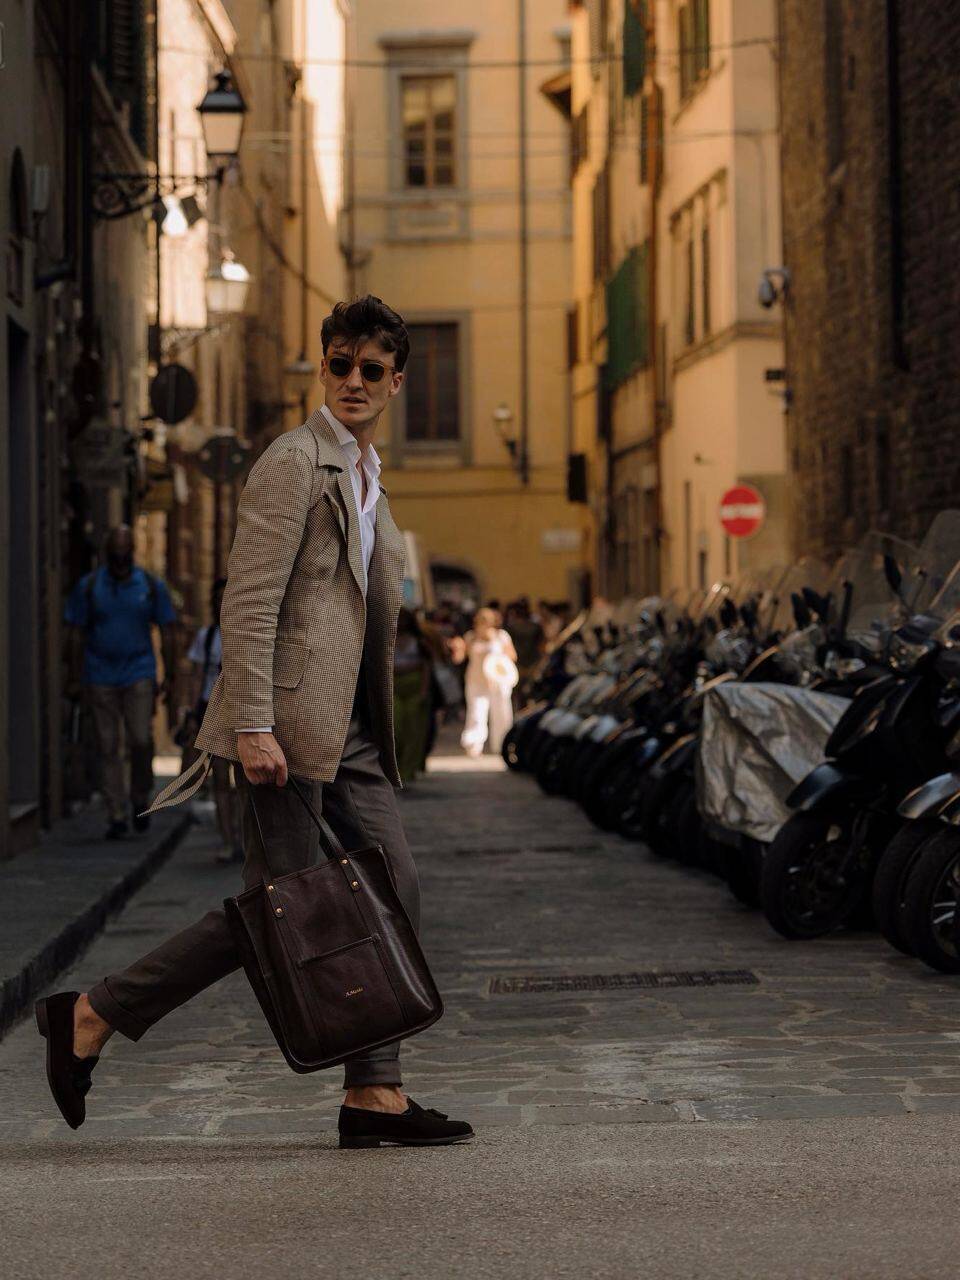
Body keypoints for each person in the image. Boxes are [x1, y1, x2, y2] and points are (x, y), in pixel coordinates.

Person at [37, 295, 472, 1150]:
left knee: (389, 887)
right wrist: (252, 723)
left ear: (395, 383)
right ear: (323, 367)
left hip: (350, 732)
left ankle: (370, 1088)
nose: (353, 380)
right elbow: (251, 598)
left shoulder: (367, 474)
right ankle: (94, 1016)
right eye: (339, 363)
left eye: (370, 369)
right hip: (292, 727)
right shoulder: (292, 461)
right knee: (277, 913)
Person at [64, 526, 177, 839]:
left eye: (125, 554)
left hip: (138, 672)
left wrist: (170, 674)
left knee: (140, 739)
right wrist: (74, 676)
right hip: (99, 675)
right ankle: (116, 811)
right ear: (107, 555)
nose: (120, 561)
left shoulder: (150, 586)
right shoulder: (89, 587)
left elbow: (168, 629)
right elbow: (75, 632)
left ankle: (139, 795)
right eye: (115, 554)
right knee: (108, 745)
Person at [181, 578, 242, 864]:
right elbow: (195, 676)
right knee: (219, 780)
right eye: (216, 599)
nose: (221, 604)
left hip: (241, 711)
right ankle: (228, 840)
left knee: (244, 781)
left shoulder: (246, 633)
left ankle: (246, 839)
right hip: (213, 710)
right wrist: (192, 713)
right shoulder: (206, 637)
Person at [457, 607, 518, 758]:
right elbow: (460, 657)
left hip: (498, 681)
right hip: (476, 681)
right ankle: (474, 745)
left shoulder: (501, 636)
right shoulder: (470, 637)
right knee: (477, 713)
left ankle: (502, 745)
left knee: (502, 714)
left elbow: (512, 656)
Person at [392, 608, 434, 783]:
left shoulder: (419, 641)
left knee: (413, 731)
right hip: (394, 688)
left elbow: (426, 667)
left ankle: (407, 771)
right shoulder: (386, 637)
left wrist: (423, 691)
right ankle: (395, 767)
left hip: (414, 689)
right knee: (396, 728)